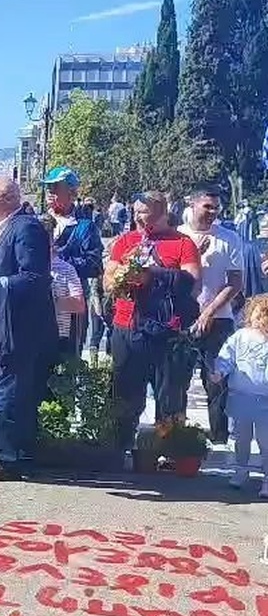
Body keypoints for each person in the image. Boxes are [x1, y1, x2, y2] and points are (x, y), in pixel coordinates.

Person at [0, 176, 57, 482]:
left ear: (8, 199)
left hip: (19, 328)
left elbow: (35, 277)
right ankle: (17, 456)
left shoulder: (26, 227)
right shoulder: (7, 228)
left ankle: (8, 458)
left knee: (8, 392)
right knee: (13, 391)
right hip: (6, 323)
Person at [105, 191, 201, 455]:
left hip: (165, 331)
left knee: (169, 394)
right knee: (124, 391)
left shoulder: (182, 243)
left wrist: (152, 275)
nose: (137, 216)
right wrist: (120, 277)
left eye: (143, 211)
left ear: (161, 212)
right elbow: (108, 279)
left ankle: (170, 449)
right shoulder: (126, 241)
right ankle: (121, 445)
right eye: (135, 211)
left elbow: (192, 282)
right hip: (126, 326)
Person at [179, 188, 243, 446]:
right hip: (182, 318)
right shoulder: (179, 237)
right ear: (192, 205)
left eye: (216, 207)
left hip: (219, 319)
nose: (212, 212)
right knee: (176, 380)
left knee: (217, 382)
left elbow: (235, 282)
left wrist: (209, 312)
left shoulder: (229, 238)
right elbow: (172, 276)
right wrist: (193, 252)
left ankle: (218, 438)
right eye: (207, 206)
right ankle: (174, 435)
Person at [41, 166, 103, 353]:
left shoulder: (85, 227)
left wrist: (60, 260)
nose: (50, 193)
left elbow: (94, 264)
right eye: (48, 188)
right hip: (40, 302)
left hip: (71, 302)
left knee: (69, 357)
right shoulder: (36, 222)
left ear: (71, 193)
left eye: (55, 188)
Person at [212, 294, 268, 498]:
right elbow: (227, 355)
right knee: (240, 438)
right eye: (255, 314)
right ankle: (240, 470)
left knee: (265, 441)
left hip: (265, 400)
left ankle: (266, 479)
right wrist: (220, 371)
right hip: (240, 396)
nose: (258, 320)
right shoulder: (241, 336)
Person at [39, 215, 86, 359]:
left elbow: (79, 304)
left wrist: (50, 301)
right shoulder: (22, 266)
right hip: (29, 338)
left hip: (58, 337)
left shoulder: (66, 269)